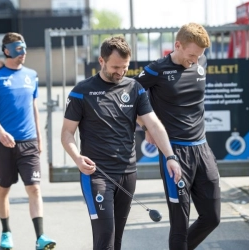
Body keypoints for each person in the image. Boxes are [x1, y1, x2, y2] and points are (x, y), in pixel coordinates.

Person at [61, 36, 182, 250]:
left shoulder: (134, 88)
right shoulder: (82, 91)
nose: (120, 72)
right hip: (96, 173)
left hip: (127, 173)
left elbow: (153, 124)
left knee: (116, 239)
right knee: (105, 236)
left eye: (125, 67)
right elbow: (67, 134)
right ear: (101, 61)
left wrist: (170, 157)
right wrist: (77, 158)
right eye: (115, 67)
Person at [134, 23, 221, 250]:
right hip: (174, 152)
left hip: (202, 149)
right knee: (179, 225)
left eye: (199, 55)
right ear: (177, 45)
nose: (194, 60)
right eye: (191, 54)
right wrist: (147, 127)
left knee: (212, 217)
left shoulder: (200, 61)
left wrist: (196, 58)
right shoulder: (156, 69)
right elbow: (127, 99)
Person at [0, 32, 56, 250]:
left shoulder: (31, 75)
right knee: (3, 188)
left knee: (34, 188)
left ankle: (40, 237)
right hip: (3, 144)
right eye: (17, 49)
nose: (22, 53)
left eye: (23, 48)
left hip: (29, 142)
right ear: (6, 50)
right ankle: (6, 232)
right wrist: (0, 131)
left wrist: (39, 138)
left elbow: (33, 107)